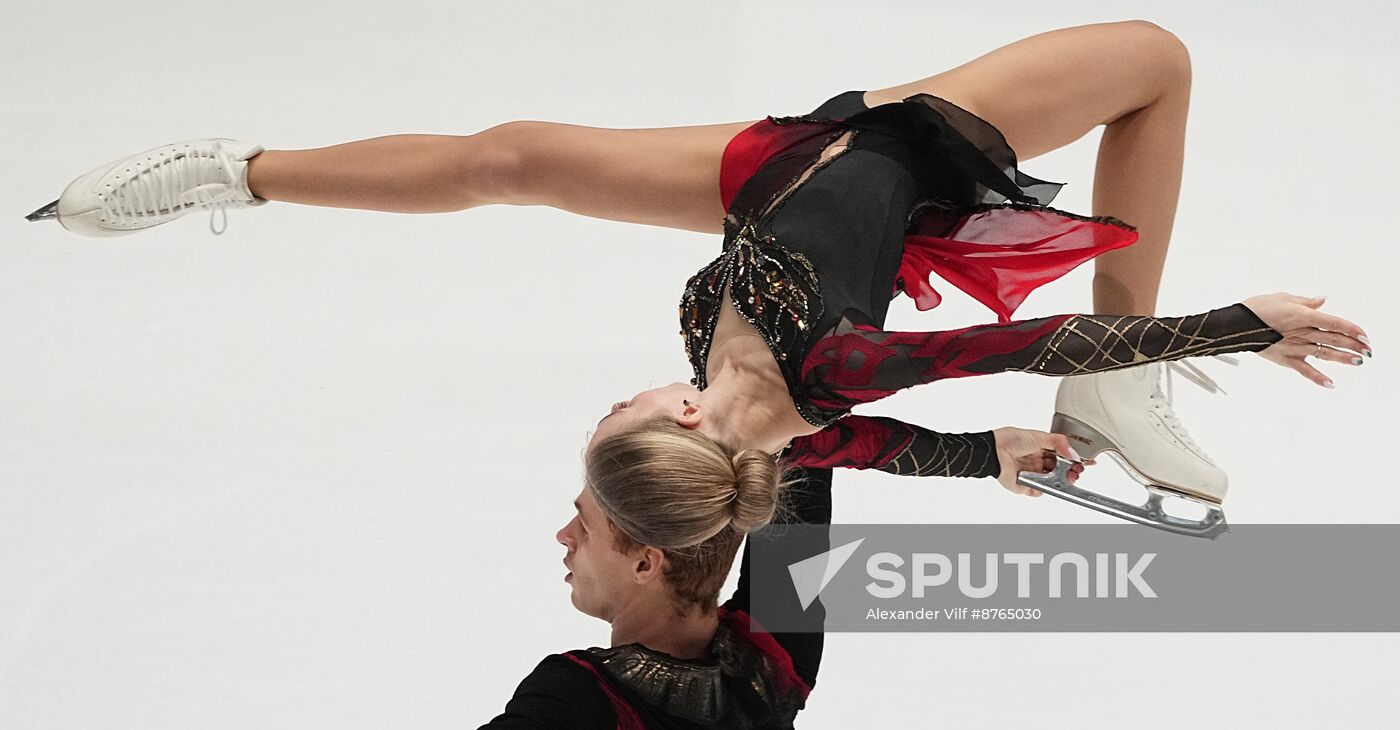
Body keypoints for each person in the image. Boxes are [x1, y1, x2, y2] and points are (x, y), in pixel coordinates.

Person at [29, 21, 1370, 532]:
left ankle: (232, 168)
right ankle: (1131, 397)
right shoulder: (825, 379)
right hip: (904, 146)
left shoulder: (782, 414)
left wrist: (991, 466)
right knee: (1158, 61)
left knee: (507, 156)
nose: (622, 393)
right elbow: (1009, 354)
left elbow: (900, 453)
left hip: (773, 170)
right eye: (614, 417)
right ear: (669, 425)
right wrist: (1244, 324)